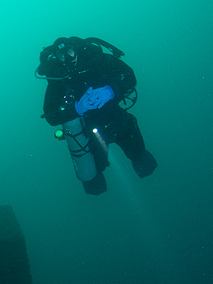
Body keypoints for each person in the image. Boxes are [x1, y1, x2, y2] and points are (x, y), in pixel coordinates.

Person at [36, 36, 157, 195]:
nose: (68, 58)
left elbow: (129, 76)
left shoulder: (97, 61)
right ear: (57, 59)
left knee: (143, 161)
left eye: (70, 52)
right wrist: (77, 109)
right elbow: (51, 116)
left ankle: (153, 189)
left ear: (76, 49)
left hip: (117, 119)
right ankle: (105, 210)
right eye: (62, 56)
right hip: (88, 133)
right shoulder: (58, 82)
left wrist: (111, 90)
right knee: (93, 183)